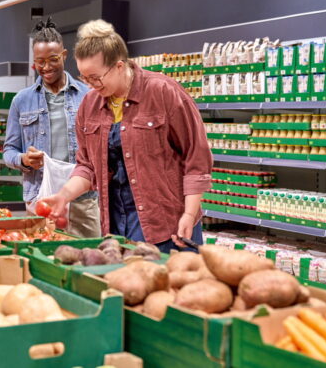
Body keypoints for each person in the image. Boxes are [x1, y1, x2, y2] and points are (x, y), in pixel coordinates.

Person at [40, 19, 212, 252]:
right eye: (84, 78)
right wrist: (64, 195)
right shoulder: (90, 105)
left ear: (119, 66)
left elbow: (196, 158)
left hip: (167, 224)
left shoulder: (163, 92)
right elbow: (87, 167)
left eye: (96, 77)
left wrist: (190, 214)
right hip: (116, 225)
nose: (91, 85)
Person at [3, 17, 100, 237]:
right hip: (40, 198)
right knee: (44, 257)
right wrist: (24, 160)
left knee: (89, 260)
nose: (46, 67)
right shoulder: (21, 100)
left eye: (53, 59)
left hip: (82, 202)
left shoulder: (89, 96)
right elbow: (8, 151)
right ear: (33, 63)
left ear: (64, 56)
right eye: (40, 62)